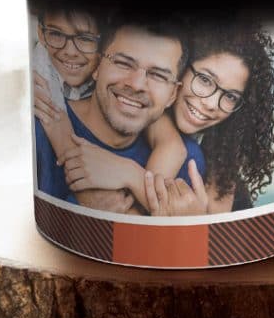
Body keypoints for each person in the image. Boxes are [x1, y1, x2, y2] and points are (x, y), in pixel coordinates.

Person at [58, 22, 274, 216]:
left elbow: (215, 228)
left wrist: (131, 176)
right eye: (204, 79)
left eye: (230, 96)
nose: (212, 103)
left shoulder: (215, 160)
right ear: (180, 70)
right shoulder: (144, 118)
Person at [33, 18, 203, 214]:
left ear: (173, 94)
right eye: (123, 63)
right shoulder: (38, 130)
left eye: (158, 75)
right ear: (96, 66)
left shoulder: (188, 163)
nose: (137, 84)